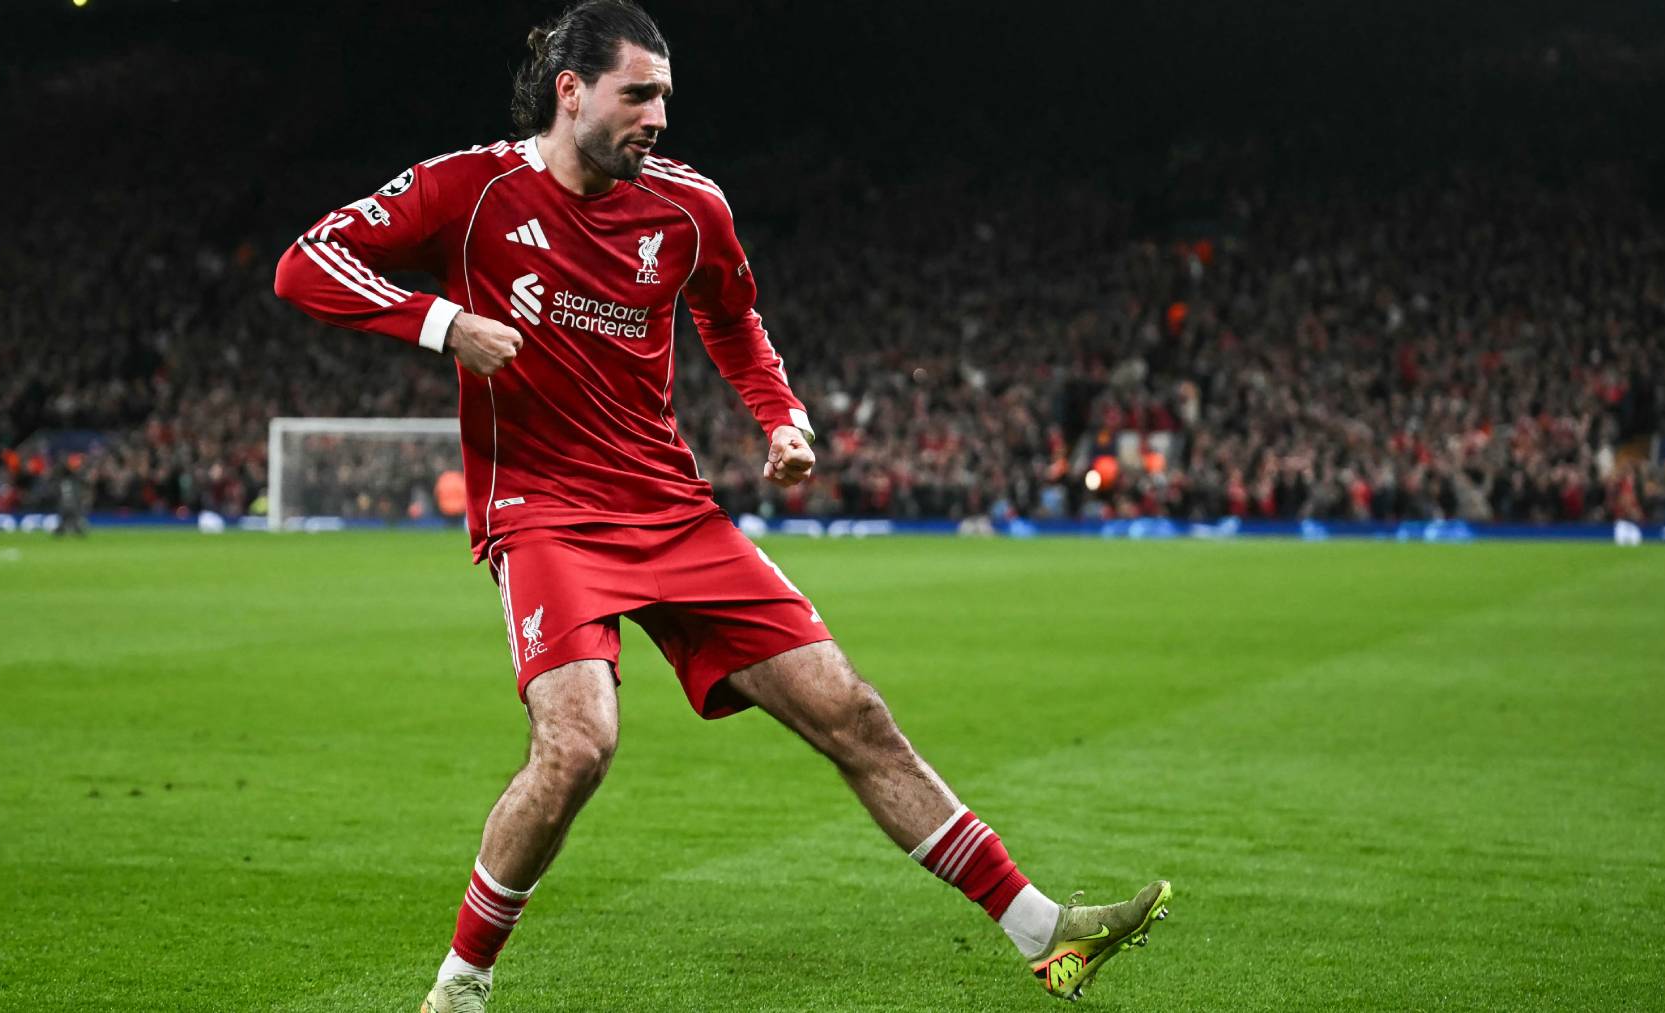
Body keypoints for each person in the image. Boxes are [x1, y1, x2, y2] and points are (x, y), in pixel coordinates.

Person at [273, 3, 1169, 1008]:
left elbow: (733, 317)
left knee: (851, 710)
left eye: (665, 95)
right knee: (579, 743)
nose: (657, 115)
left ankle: (1044, 930)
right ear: (571, 91)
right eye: (637, 93)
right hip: (546, 511)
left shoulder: (689, 206)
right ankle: (461, 982)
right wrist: (443, 323)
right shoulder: (470, 192)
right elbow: (306, 260)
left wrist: (779, 416)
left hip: (670, 509)